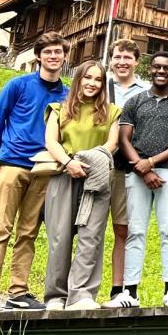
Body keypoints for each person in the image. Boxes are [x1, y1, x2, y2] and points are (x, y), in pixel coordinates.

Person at [0, 31, 70, 312]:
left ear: (65, 57)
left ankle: (18, 291)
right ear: (39, 56)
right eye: (48, 52)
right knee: (0, 228)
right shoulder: (17, 85)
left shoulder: (66, 95)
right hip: (12, 165)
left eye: (58, 52)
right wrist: (8, 150)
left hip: (43, 171)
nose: (53, 56)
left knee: (28, 232)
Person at [118, 51, 168, 307]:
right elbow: (123, 139)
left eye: (167, 68)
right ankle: (130, 292)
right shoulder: (135, 101)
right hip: (137, 173)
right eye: (156, 67)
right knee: (136, 231)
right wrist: (143, 168)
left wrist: (151, 163)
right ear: (149, 69)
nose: (161, 71)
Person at [42, 60, 120, 310]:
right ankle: (56, 295)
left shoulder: (111, 112)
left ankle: (82, 294)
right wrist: (68, 163)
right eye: (88, 78)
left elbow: (112, 144)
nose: (92, 84)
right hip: (64, 176)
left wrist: (90, 160)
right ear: (78, 79)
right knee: (60, 236)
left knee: (92, 236)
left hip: (96, 178)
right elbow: (51, 142)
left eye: (98, 79)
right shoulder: (59, 109)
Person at [104, 38, 148, 308]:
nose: (122, 62)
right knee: (90, 230)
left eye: (127, 58)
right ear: (111, 59)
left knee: (124, 229)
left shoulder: (145, 91)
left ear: (136, 61)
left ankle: (119, 289)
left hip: (127, 167)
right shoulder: (99, 85)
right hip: (97, 164)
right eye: (117, 57)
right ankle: (81, 290)